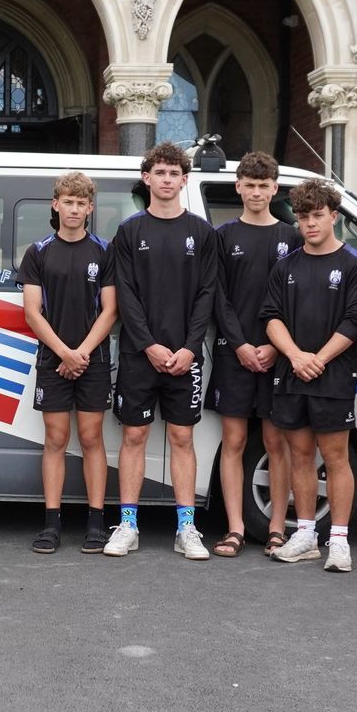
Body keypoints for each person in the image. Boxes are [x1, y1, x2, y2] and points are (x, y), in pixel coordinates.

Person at [105, 141, 220, 561]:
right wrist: (149, 344)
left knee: (183, 437)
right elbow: (126, 296)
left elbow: (207, 293)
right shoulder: (130, 232)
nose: (167, 180)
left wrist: (190, 348)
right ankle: (128, 524)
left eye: (175, 174)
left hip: (186, 357)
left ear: (184, 181)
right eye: (160, 172)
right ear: (146, 178)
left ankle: (186, 527)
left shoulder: (202, 233)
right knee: (133, 434)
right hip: (141, 355)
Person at [261, 179, 357, 572]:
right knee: (300, 455)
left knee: (336, 457)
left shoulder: (355, 265)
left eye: (318, 216)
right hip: (291, 375)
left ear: (334, 217)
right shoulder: (285, 265)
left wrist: (318, 359)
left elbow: (356, 320)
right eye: (303, 217)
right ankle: (305, 533)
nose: (310, 224)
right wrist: (294, 356)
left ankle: (339, 539)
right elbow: (271, 317)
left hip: (332, 377)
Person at [17, 171, 116, 554]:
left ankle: (95, 523)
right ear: (55, 205)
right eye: (67, 202)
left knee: (92, 439)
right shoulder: (38, 251)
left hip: (93, 358)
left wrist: (82, 354)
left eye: (81, 203)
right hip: (52, 359)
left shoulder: (104, 251)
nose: (74, 209)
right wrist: (64, 353)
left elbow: (110, 311)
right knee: (56, 439)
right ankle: (51, 524)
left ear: (90, 208)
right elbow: (32, 312)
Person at [208, 151, 301, 558]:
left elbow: (297, 300)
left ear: (275, 189)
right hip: (235, 353)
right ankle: (235, 529)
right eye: (250, 185)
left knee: (274, 442)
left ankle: (277, 528)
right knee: (233, 439)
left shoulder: (292, 237)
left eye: (265, 186)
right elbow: (217, 297)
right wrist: (242, 344)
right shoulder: (223, 236)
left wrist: (272, 346)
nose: (257, 192)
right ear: (239, 188)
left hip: (277, 356)